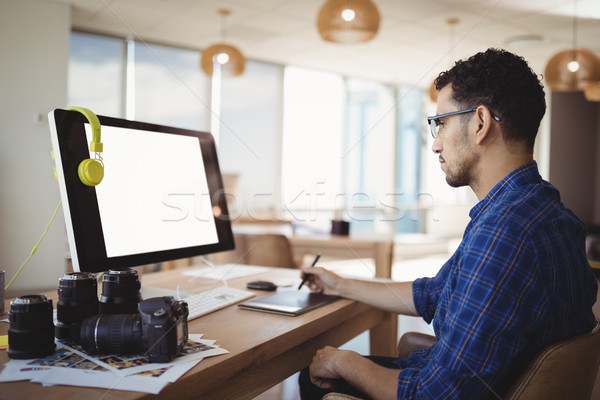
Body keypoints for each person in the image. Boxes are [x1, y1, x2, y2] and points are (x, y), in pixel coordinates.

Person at [298, 48, 598, 400]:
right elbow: (434, 293)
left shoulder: (503, 233)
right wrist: (341, 284)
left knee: (316, 376)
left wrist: (343, 362)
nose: (436, 143)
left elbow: (434, 395)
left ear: (480, 123)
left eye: (441, 123)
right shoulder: (543, 210)